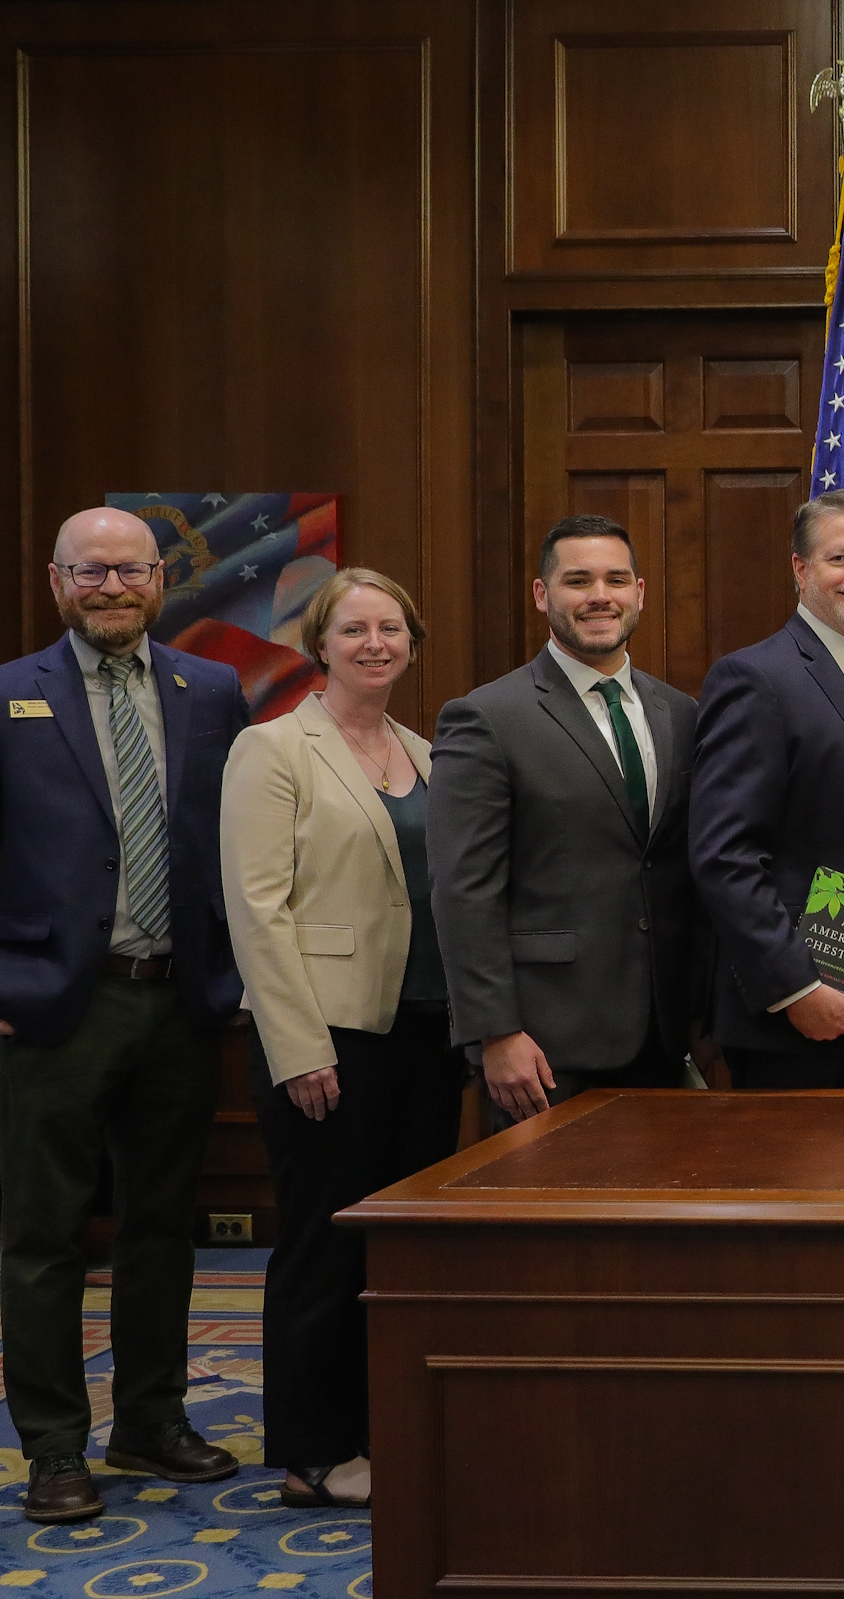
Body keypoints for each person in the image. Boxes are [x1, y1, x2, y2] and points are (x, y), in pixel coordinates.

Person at [0, 507, 250, 1522]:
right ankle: (54, 1444)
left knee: (161, 1228)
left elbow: (239, 841)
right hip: (53, 1003)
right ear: (57, 582)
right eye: (90, 570)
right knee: (45, 1233)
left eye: (131, 569)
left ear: (158, 580)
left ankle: (152, 1416)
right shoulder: (0, 695)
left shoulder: (213, 691)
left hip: (179, 1003)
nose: (112, 586)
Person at [220, 568, 463, 1510]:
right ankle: (313, 1451)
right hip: (329, 1037)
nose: (374, 644)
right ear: (319, 644)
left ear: (412, 642)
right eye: (354, 629)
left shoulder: (427, 751)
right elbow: (255, 908)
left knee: (397, 1250)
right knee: (323, 1246)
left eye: (391, 629)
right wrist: (299, 1046)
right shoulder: (271, 750)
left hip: (425, 1031)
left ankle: (379, 1426)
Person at [429, 515, 705, 1134]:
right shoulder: (486, 718)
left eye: (616, 579)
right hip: (545, 1047)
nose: (600, 596)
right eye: (578, 581)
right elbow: (462, 890)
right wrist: (495, 1032)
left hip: (664, 1038)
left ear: (640, 590)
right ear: (541, 594)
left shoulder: (681, 713)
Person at [690, 488, 844, 1088]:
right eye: (840, 559)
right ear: (800, 569)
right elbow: (725, 854)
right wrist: (794, 984)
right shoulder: (756, 679)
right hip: (800, 1018)